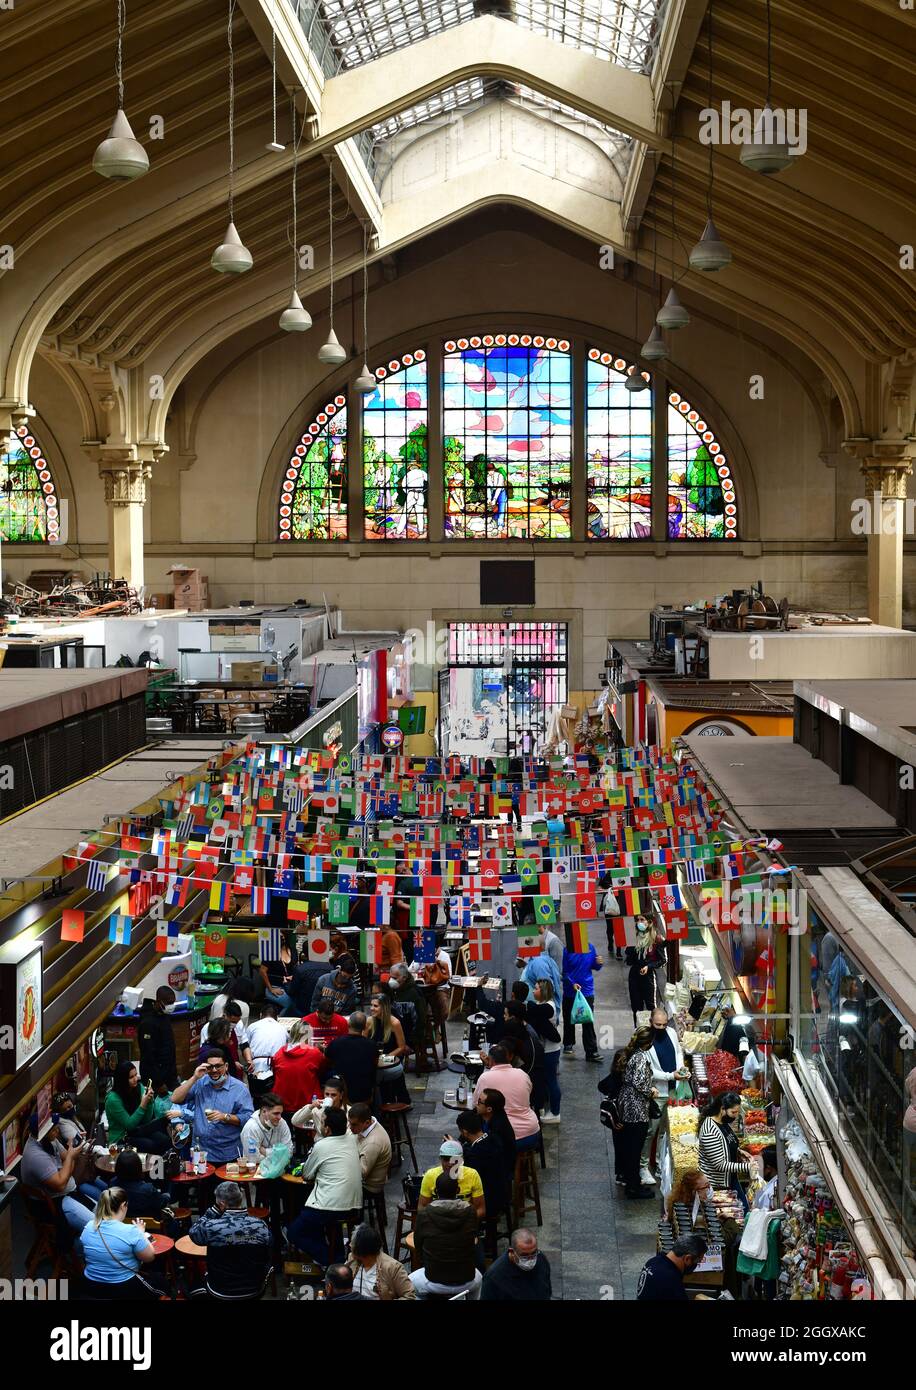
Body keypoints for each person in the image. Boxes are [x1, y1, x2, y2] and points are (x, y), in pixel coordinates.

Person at [288, 1107, 363, 1266]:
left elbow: (307, 1174)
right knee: (316, 1223)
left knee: (294, 1232)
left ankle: (331, 1262)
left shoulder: (322, 1145)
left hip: (329, 1206)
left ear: (327, 1129)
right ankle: (333, 1256)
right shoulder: (353, 1140)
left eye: (322, 1122)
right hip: (354, 1204)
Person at [189, 1181, 272, 1298]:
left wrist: (213, 1211)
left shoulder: (211, 1227)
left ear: (222, 1204)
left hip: (220, 1292)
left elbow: (194, 1233)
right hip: (255, 1291)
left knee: (191, 1285)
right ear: (240, 1199)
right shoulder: (261, 1225)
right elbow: (268, 1249)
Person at [166, 1054, 254, 1164]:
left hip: (227, 1153)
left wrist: (225, 1117)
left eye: (218, 1066)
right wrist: (194, 1077)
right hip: (200, 1151)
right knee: (200, 1181)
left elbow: (248, 1118)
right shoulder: (200, 1083)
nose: (214, 1070)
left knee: (226, 1182)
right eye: (210, 1067)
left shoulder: (239, 1089)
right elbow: (175, 1098)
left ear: (226, 1066)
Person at [411, 1172, 483, 1299]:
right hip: (467, 1278)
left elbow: (418, 1247)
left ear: (436, 1192)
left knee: (409, 1285)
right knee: (480, 1280)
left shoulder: (424, 1214)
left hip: (433, 1279)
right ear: (458, 1190)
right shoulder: (471, 1211)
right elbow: (472, 1240)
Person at [79, 1187, 160, 1299]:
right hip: (122, 1286)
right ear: (123, 1206)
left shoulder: (88, 1226)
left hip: (91, 1285)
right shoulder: (131, 1231)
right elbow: (149, 1257)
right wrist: (141, 1233)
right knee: (161, 1283)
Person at [20, 1112, 94, 1231]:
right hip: (54, 1203)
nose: (57, 1131)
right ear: (42, 1133)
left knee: (101, 1212)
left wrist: (69, 1159)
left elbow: (67, 1160)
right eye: (53, 1129)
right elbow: (60, 1184)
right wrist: (71, 1157)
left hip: (69, 1192)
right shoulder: (36, 1156)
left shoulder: (50, 1140)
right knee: (97, 1226)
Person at [641, 1006, 687, 1185]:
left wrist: (681, 1069)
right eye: (657, 1024)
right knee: (650, 1131)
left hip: (673, 1090)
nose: (660, 1028)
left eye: (663, 1024)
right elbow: (649, 1071)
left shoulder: (672, 1033)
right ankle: (643, 1166)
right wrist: (671, 1075)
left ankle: (660, 1164)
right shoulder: (646, 1041)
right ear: (651, 1022)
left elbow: (677, 1052)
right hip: (657, 1092)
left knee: (665, 1132)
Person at [617, 1027, 660, 1199]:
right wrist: (651, 1091)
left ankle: (631, 1182)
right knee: (635, 1148)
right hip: (636, 1109)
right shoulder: (641, 1057)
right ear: (649, 1042)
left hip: (627, 1105)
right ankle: (633, 1187)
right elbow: (639, 1082)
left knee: (630, 1147)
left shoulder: (632, 1053)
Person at [471, 1044, 539, 1150]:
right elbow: (529, 1093)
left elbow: (476, 1104)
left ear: (490, 1060)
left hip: (502, 1137)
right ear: (509, 1058)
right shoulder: (522, 1074)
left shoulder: (485, 1077)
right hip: (530, 1133)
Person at [455, 1110, 508, 1242]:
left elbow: (459, 1174)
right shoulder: (494, 1138)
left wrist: (455, 1149)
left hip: (489, 1201)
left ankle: (465, 1239)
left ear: (465, 1132)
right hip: (503, 1192)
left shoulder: (475, 1155)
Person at [698, 1091, 756, 1205]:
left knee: (743, 1209)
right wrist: (747, 1167)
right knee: (739, 1213)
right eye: (733, 1112)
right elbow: (719, 1164)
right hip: (717, 1185)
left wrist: (739, 1152)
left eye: (737, 1112)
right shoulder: (710, 1131)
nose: (735, 1115)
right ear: (722, 1109)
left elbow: (726, 1143)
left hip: (730, 1180)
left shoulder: (722, 1122)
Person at [104, 1061, 171, 1154]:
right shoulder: (113, 1099)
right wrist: (143, 1104)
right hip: (122, 1137)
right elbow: (129, 1125)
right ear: (122, 1079)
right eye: (131, 1077)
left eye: (136, 1075)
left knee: (164, 1140)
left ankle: (161, 1167)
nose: (135, 1079)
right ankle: (149, 1167)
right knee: (150, 1145)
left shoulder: (139, 1088)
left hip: (138, 1130)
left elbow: (146, 1119)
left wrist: (150, 1101)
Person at [270, 1019, 327, 1117]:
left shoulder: (279, 1053)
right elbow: (323, 1069)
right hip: (307, 1104)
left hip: (281, 1103)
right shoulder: (314, 1053)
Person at [418, 1139, 485, 1219]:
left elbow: (480, 1209)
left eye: (455, 1160)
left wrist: (465, 1224)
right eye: (446, 1159)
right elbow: (422, 1207)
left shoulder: (472, 1175)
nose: (450, 1163)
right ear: (440, 1159)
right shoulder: (430, 1176)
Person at [346, 1224, 417, 1300]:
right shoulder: (352, 1259)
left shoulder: (393, 1267)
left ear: (362, 1251)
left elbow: (410, 1296)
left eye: (352, 1244)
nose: (350, 1246)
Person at [480, 1228, 552, 1300]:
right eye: (524, 1255)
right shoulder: (494, 1277)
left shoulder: (541, 1259)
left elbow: (547, 1291)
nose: (530, 1259)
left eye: (533, 1253)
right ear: (512, 1252)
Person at [108, 1149, 176, 1225]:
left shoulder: (112, 1184)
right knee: (168, 1193)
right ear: (138, 1167)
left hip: (122, 1226)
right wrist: (167, 1195)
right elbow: (161, 1203)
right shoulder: (148, 1190)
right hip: (150, 1228)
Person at [561, 939, 603, 1061]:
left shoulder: (590, 947)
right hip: (570, 992)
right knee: (569, 1017)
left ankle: (591, 1051)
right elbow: (564, 972)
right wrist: (572, 983)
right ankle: (568, 1042)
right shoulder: (567, 951)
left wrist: (599, 963)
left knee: (588, 1021)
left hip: (586, 991)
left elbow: (595, 966)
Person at [325, 1012, 380, 1104]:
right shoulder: (371, 1045)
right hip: (364, 1093)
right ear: (364, 1027)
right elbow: (376, 1063)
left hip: (341, 1093)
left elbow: (327, 1061)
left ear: (348, 1024)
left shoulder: (336, 1043)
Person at [527, 977, 562, 1123]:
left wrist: (528, 1004)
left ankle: (555, 1112)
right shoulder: (542, 1004)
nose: (533, 991)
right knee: (546, 1081)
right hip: (546, 1049)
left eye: (536, 988)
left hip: (550, 1050)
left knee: (551, 1081)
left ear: (543, 991)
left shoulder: (549, 1006)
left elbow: (534, 1009)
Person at [365, 993, 410, 1103]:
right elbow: (363, 1042)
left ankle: (397, 1101)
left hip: (391, 1058)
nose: (372, 1009)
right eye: (371, 1005)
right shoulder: (369, 1021)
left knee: (389, 1074)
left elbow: (402, 1047)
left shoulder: (395, 1023)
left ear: (384, 1007)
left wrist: (386, 1058)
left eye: (375, 1006)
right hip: (374, 1059)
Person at [636, 1233, 708, 1300]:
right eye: (697, 1262)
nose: (697, 1265)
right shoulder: (671, 1280)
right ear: (687, 1258)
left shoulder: (653, 1261)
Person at [625, 916, 667, 1026]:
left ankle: (653, 1032)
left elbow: (662, 960)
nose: (639, 922)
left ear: (649, 922)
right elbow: (629, 960)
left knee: (651, 1006)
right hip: (634, 975)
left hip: (648, 976)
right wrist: (630, 945)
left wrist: (649, 966)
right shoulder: (633, 938)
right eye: (637, 920)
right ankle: (638, 1031)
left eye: (642, 920)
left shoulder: (656, 939)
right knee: (636, 1006)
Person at [476, 1086, 520, 1189]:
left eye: (479, 1102)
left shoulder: (499, 1126)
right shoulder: (481, 1116)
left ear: (489, 1109)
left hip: (500, 1168)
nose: (476, 1104)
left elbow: (492, 1152)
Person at [137, 986, 179, 1089]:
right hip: (155, 1080)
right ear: (159, 1002)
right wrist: (158, 1082)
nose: (171, 1006)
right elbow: (148, 1056)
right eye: (169, 1003)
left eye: (173, 1003)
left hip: (169, 1074)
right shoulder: (147, 1023)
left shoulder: (164, 1016)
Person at [348, 1103, 392, 1195]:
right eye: (349, 1123)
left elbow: (360, 1174)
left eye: (354, 1124)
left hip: (369, 1186)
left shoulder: (373, 1143)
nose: (350, 1127)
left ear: (367, 1122)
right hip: (365, 1175)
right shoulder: (369, 1124)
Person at [385, 961, 428, 1045]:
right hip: (393, 1031)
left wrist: (412, 1040)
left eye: (395, 978)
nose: (391, 981)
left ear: (404, 978)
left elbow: (420, 1019)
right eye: (391, 977)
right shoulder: (391, 991)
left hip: (408, 1036)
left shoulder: (414, 994)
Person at [239, 1092, 292, 1159]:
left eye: (281, 1113)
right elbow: (253, 1159)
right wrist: (279, 1154)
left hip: (280, 1168)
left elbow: (289, 1152)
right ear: (264, 1112)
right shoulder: (251, 1128)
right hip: (257, 1169)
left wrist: (265, 1152)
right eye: (276, 1113)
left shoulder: (281, 1122)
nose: (279, 1117)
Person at [245, 999, 289, 1076]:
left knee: (256, 1086)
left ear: (261, 1015)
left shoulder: (252, 1026)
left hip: (257, 1064)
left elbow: (245, 1046)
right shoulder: (283, 1029)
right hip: (277, 1065)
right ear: (277, 1017)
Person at [259, 928, 297, 1014]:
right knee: (290, 1004)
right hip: (275, 986)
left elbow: (295, 968)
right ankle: (278, 1021)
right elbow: (262, 971)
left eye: (282, 937)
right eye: (278, 937)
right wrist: (271, 989)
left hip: (290, 986)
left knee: (298, 1002)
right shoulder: (271, 952)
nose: (281, 939)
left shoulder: (293, 951)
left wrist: (294, 977)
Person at [600, 871, 624, 961]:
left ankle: (618, 950)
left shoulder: (622, 874)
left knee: (618, 930)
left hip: (619, 908)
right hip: (611, 907)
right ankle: (611, 943)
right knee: (610, 928)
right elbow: (602, 884)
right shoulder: (611, 873)